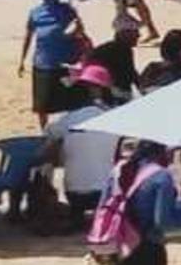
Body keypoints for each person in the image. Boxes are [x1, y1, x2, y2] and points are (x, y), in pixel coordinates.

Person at [42, 64, 122, 228]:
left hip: (74, 195)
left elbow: (49, 135)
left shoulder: (68, 119)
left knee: (55, 148)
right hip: (105, 193)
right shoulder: (114, 118)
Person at [19, 0, 85, 129]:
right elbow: (28, 36)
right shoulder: (35, 13)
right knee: (42, 105)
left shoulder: (67, 9)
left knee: (71, 102)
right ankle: (44, 131)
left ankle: (69, 129)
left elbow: (80, 32)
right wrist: (22, 60)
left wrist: (74, 31)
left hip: (66, 63)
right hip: (44, 64)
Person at [88, 25, 140, 105]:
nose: (138, 36)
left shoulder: (109, 47)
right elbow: (129, 73)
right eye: (135, 34)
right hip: (109, 90)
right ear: (124, 35)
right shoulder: (122, 50)